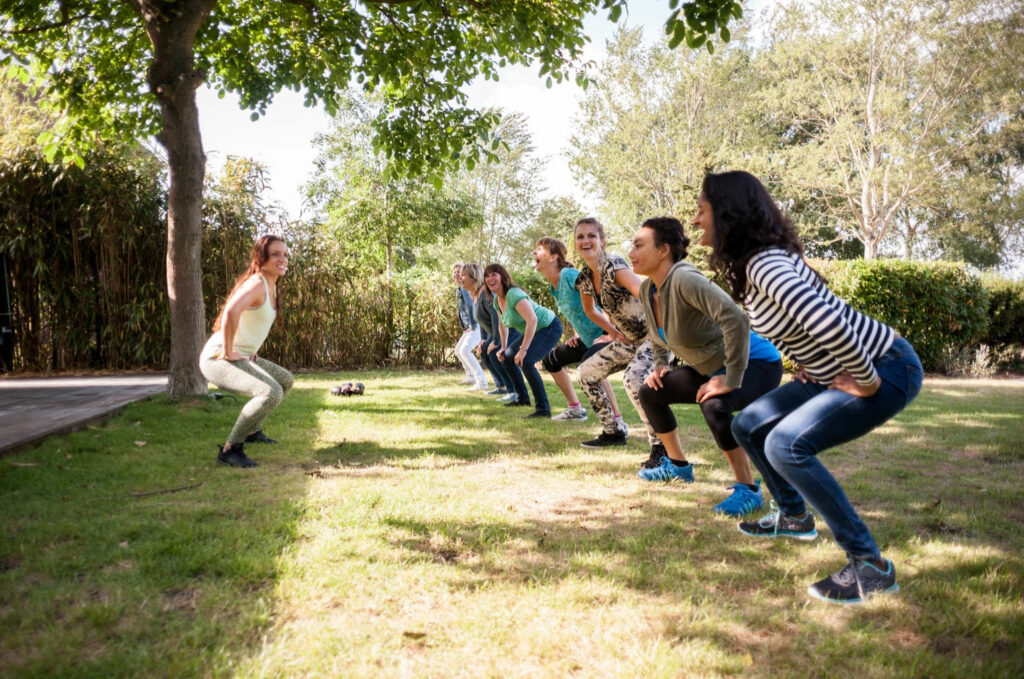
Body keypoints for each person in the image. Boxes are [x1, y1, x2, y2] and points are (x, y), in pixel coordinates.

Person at [700, 170, 923, 604]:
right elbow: (804, 324)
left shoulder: (765, 264)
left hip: (885, 367)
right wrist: (808, 363)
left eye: (702, 210)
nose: (696, 220)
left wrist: (866, 381)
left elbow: (830, 324)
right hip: (837, 371)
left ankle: (871, 565)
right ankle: (794, 517)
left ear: (726, 214)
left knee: (785, 444)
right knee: (749, 425)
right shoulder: (760, 262)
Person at [629, 217, 784, 516]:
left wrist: (730, 378)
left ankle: (748, 489)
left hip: (756, 362)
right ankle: (678, 467)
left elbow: (736, 319)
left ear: (663, 250)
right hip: (711, 366)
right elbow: (658, 334)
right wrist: (661, 364)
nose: (632, 252)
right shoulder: (649, 289)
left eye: (638, 245)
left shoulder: (685, 279)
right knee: (650, 391)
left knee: (714, 404)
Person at [199, 234, 294, 468]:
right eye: (275, 254)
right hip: (218, 357)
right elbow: (231, 311)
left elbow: (252, 324)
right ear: (261, 258)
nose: (282, 259)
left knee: (285, 380)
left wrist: (248, 350)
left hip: (241, 354)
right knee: (270, 391)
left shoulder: (272, 286)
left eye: (285, 254)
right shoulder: (257, 283)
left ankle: (253, 431)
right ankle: (231, 449)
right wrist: (230, 351)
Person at [572, 218, 660, 456]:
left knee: (634, 379)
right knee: (585, 374)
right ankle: (613, 432)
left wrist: (658, 332)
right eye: (580, 237)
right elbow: (590, 310)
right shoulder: (585, 278)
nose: (585, 241)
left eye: (591, 235)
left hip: (655, 337)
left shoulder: (614, 265)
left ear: (602, 240)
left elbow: (647, 294)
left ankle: (660, 446)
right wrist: (614, 333)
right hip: (630, 341)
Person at [532, 237, 626, 428]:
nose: (534, 253)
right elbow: (577, 308)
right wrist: (576, 333)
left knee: (591, 367)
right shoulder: (553, 287)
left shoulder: (568, 275)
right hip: (587, 338)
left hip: (606, 332)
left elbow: (600, 295)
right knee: (551, 360)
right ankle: (575, 409)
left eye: (539, 249)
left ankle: (617, 421)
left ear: (553, 257)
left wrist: (612, 332)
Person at [484, 263, 563, 418]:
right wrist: (504, 347)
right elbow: (502, 325)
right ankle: (522, 398)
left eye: (494, 274)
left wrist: (523, 349)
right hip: (534, 328)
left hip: (548, 326)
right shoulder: (497, 301)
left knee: (525, 361)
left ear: (503, 277)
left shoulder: (513, 294)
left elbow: (532, 319)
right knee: (507, 357)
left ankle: (543, 409)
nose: (490, 278)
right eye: (487, 275)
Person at [461, 263, 516, 400]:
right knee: (484, 353)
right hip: (493, 333)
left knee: (493, 354)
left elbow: (497, 319)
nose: (460, 278)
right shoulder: (475, 295)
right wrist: (483, 340)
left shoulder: (486, 294)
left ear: (473, 277)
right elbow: (483, 323)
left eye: (463, 275)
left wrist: (496, 342)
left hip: (508, 330)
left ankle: (513, 390)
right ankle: (501, 387)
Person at [452, 263, 488, 389]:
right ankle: (471, 376)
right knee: (458, 350)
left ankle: (482, 382)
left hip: (475, 325)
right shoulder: (461, 289)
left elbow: (470, 305)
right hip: (470, 326)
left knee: (464, 351)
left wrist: (472, 325)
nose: (457, 274)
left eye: (460, 273)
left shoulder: (464, 288)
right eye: (455, 272)